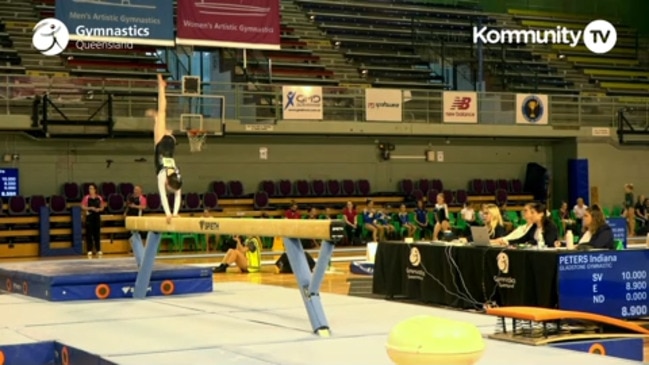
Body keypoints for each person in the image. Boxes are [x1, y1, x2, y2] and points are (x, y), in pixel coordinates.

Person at [147, 74, 182, 224]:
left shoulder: (178, 177)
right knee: (162, 112)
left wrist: (174, 214)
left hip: (171, 142)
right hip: (161, 141)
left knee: (162, 115)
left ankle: (157, 119)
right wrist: (170, 214)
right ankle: (161, 87)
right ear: (168, 183)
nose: (170, 191)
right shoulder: (163, 177)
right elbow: (164, 196)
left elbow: (177, 194)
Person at [81, 183, 105, 258]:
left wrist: (99, 209)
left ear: (95, 190)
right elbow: (82, 206)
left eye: (91, 188)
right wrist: (90, 208)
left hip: (96, 216)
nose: (90, 190)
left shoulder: (99, 198)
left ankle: (98, 249)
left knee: (97, 233)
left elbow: (102, 207)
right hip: (89, 216)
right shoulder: (86, 198)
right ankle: (89, 250)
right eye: (89, 188)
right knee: (89, 233)